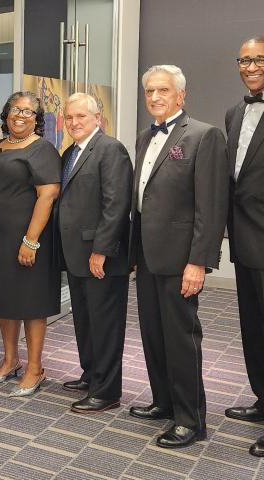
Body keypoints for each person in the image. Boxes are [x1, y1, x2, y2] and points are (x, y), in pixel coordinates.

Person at [128, 65, 228, 448]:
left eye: (163, 91)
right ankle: (164, 402)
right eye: (150, 91)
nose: (154, 97)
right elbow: (144, 200)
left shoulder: (204, 136)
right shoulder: (143, 137)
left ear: (181, 95)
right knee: (153, 336)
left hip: (182, 259)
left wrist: (198, 262)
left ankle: (191, 419)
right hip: (149, 257)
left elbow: (211, 207)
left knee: (182, 339)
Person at [0, 91, 61, 397]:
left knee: (31, 302)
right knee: (6, 302)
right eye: (15, 109)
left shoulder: (42, 149)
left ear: (37, 120)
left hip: (28, 239)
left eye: (28, 112)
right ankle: (10, 360)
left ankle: (35, 368)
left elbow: (48, 195)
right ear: (6, 114)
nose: (20, 115)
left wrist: (31, 240)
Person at [57, 93, 132, 412]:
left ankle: (107, 392)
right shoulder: (69, 153)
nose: (74, 122)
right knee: (85, 321)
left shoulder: (110, 149)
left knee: (105, 325)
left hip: (100, 256)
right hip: (76, 254)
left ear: (97, 119)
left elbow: (116, 206)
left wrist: (101, 250)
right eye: (69, 117)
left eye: (81, 117)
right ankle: (91, 374)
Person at [223, 36, 264, 457]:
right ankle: (262, 399)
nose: (250, 66)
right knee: (253, 326)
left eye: (258, 59)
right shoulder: (235, 112)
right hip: (245, 237)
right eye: (244, 60)